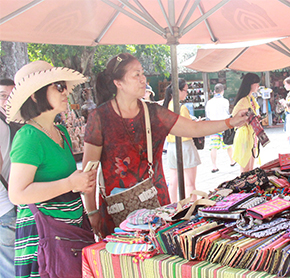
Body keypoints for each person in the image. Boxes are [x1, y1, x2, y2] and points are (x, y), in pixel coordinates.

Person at [83, 53, 248, 236]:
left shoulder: (153, 112)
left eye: (142, 73)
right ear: (118, 83)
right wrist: (92, 212)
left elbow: (194, 128)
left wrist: (230, 122)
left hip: (155, 203)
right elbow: (88, 171)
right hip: (116, 210)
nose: (143, 79)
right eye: (136, 74)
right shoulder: (99, 117)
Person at [6, 61, 97, 278]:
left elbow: (64, 182)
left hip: (65, 233)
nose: (66, 92)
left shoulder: (61, 132)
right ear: (35, 95)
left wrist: (79, 184)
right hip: (43, 237)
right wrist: (71, 183)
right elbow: (18, 193)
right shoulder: (29, 137)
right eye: (59, 87)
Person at [0, 78, 36, 278]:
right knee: (13, 272)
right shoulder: (18, 127)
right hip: (13, 208)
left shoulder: (13, 127)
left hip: (7, 209)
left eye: (11, 97)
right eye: (3, 96)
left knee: (12, 274)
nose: (6, 102)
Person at [164, 79, 201, 203]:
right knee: (190, 182)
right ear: (178, 91)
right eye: (185, 90)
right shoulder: (181, 107)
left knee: (173, 180)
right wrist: (197, 124)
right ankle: (193, 207)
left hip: (171, 146)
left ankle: (174, 206)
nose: (186, 93)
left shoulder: (166, 106)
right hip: (184, 145)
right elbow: (190, 129)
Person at [231, 73, 261, 173]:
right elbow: (235, 120)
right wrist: (247, 119)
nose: (258, 86)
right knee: (245, 169)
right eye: (256, 83)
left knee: (251, 169)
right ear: (250, 84)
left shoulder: (251, 98)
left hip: (252, 135)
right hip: (244, 136)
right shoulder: (243, 100)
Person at [205, 83, 236, 173]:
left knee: (213, 147)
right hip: (224, 125)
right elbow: (228, 113)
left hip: (213, 126)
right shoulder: (225, 101)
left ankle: (214, 166)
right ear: (222, 91)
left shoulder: (209, 102)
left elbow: (208, 115)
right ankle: (232, 161)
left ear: (214, 91)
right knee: (228, 144)